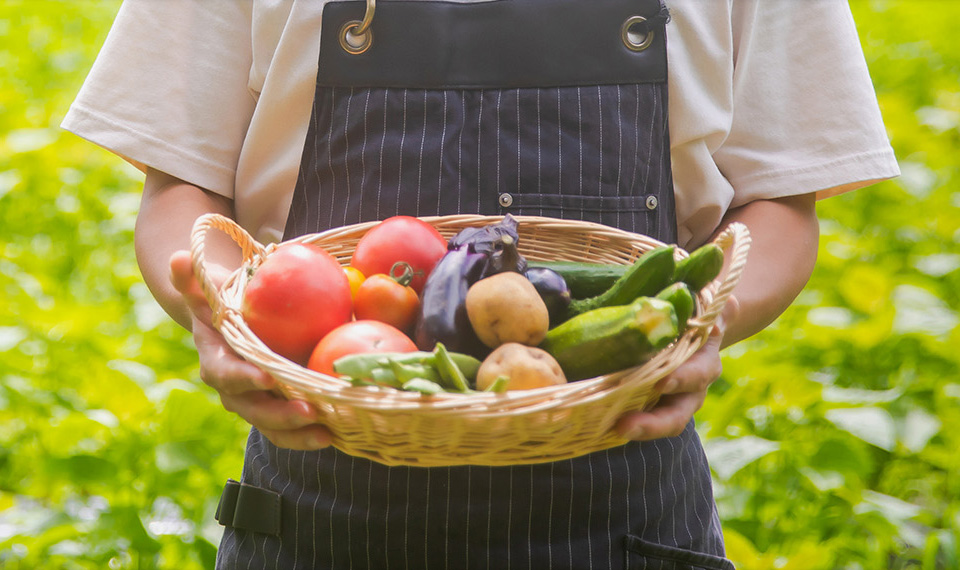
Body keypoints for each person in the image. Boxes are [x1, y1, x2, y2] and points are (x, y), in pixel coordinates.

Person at [63, 0, 899, 567]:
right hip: (312, 512)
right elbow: (180, 189)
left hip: (626, 521)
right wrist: (224, 315)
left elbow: (783, 202)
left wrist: (702, 324)